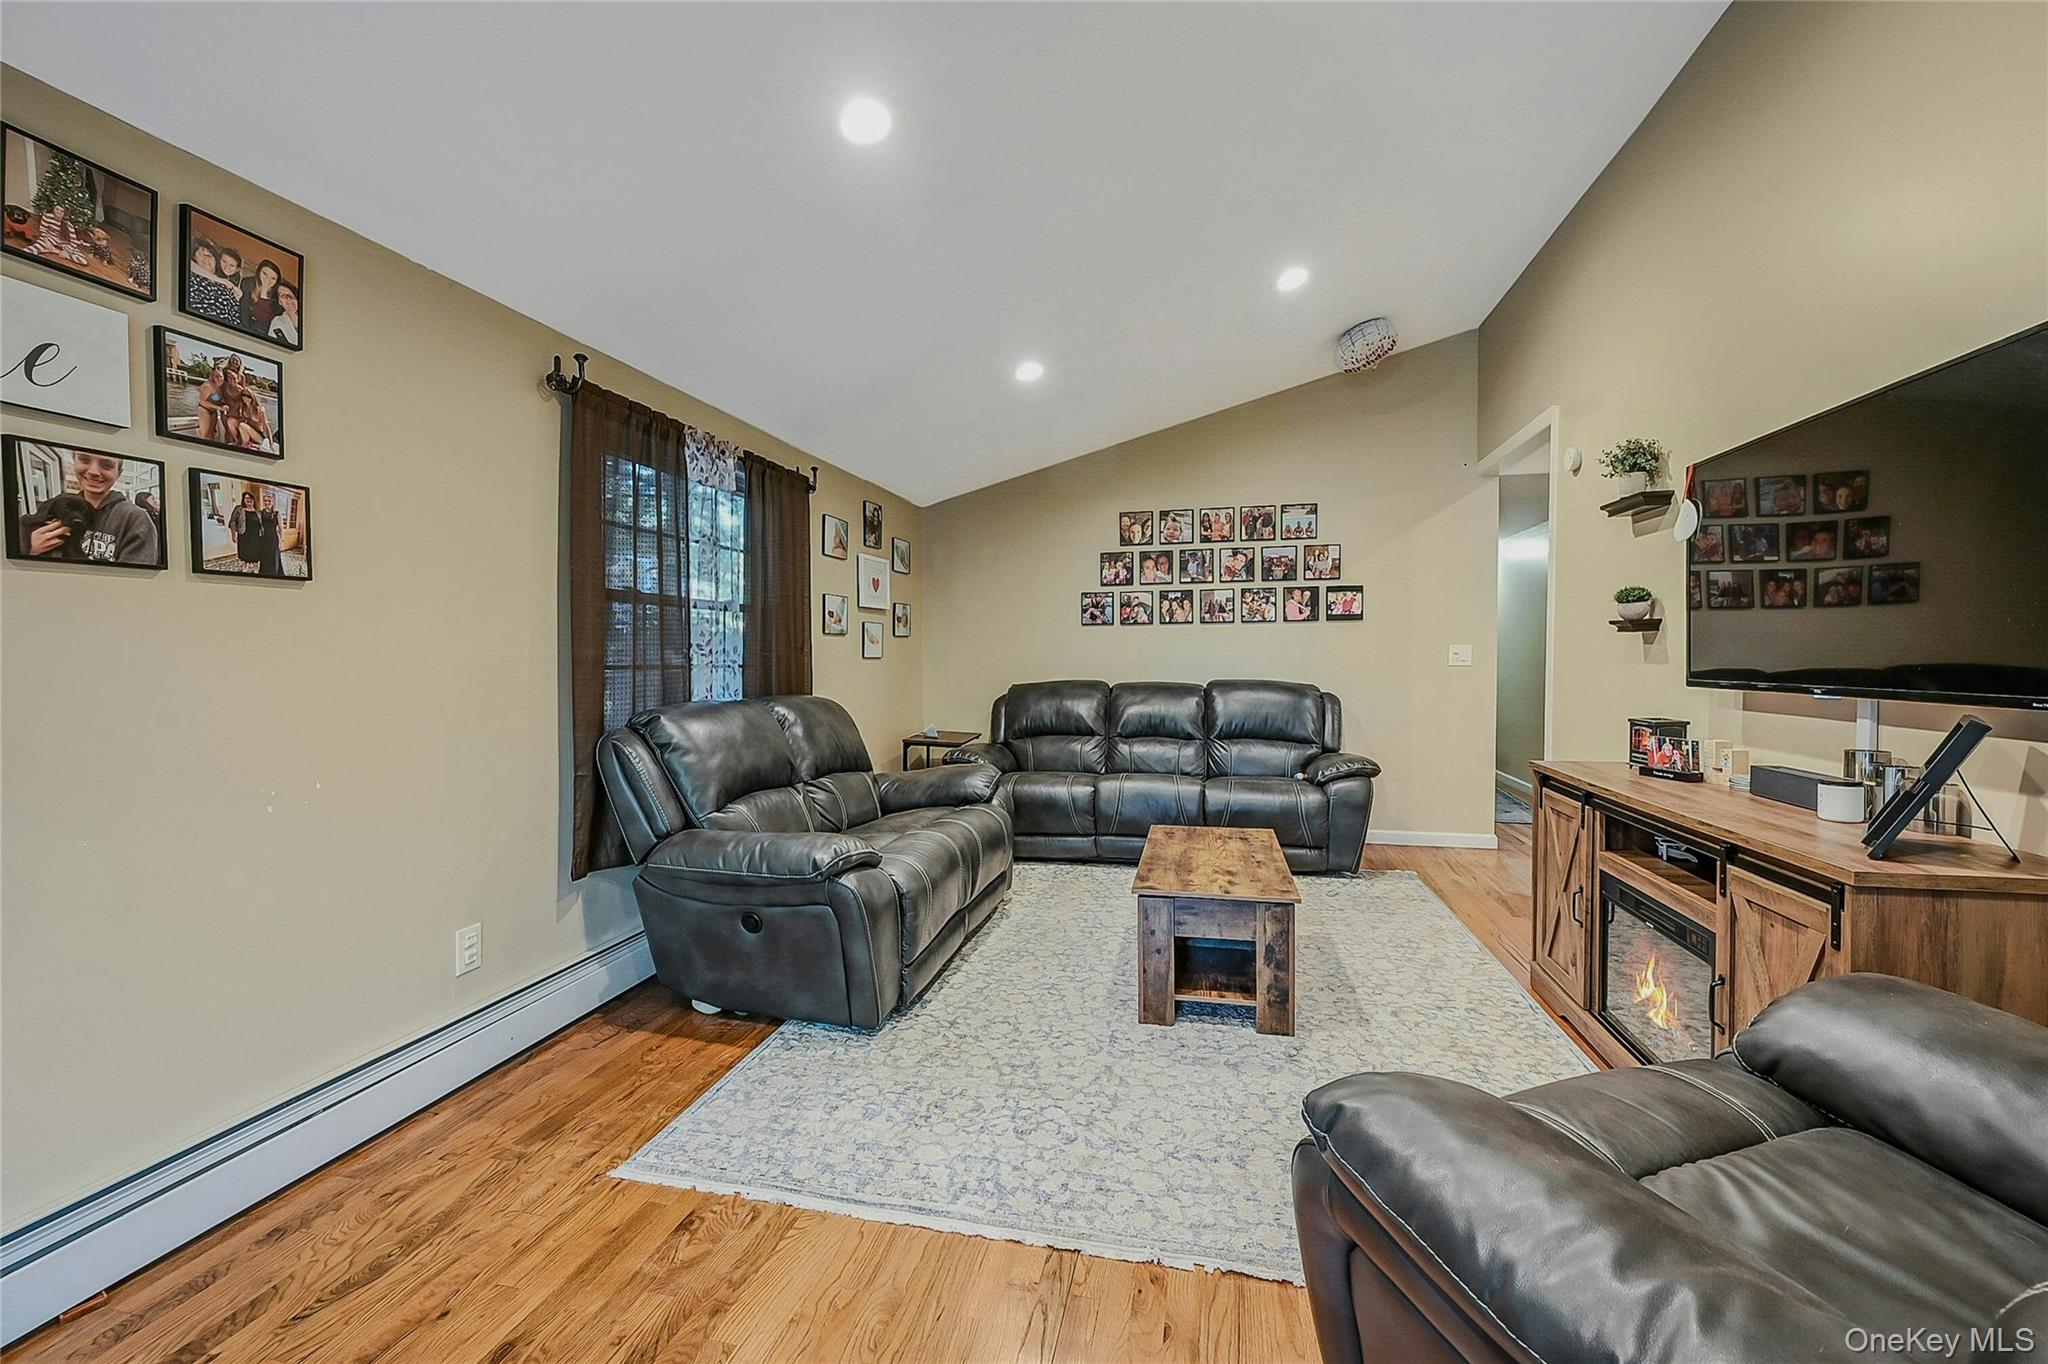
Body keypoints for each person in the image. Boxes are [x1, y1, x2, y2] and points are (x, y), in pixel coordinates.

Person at [23, 449, 159, 565]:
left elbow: (136, 581)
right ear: (74, 462)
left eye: (106, 465)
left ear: (119, 473)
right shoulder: (57, 506)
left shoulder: (135, 519)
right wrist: (31, 551)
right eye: (84, 460)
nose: (94, 471)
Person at [184, 240, 242, 327]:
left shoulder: (227, 287)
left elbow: (235, 318)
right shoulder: (191, 275)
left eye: (209, 256)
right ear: (194, 258)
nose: (206, 258)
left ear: (216, 261)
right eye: (200, 255)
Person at [245, 260, 284, 331]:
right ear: (259, 271)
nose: (268, 280)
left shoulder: (278, 298)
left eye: (273, 278)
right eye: (265, 274)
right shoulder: (248, 283)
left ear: (277, 281)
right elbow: (244, 311)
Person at [257, 489, 285, 576]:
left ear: (272, 502)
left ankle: (274, 574)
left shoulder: (277, 514)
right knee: (264, 557)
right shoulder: (260, 513)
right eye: (265, 501)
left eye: (269, 501)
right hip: (263, 539)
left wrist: (281, 540)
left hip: (273, 539)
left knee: (273, 558)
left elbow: (281, 528)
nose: (267, 502)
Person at [267, 279, 301, 346]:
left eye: (290, 296)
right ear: (279, 302)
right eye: (283, 296)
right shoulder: (277, 322)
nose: (288, 300)